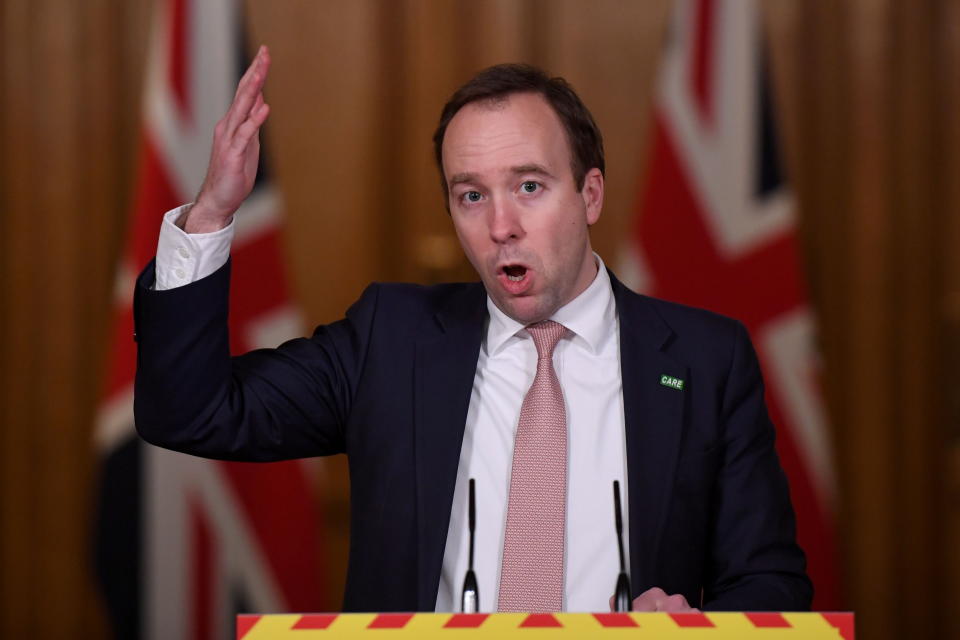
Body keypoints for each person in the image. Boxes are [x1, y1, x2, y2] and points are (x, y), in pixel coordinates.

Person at [134, 45, 812, 613]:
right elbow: (191, 412)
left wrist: (700, 630)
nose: (500, 227)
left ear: (591, 193)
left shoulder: (706, 359)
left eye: (529, 187)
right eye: (471, 195)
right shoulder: (389, 341)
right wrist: (211, 214)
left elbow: (770, 587)